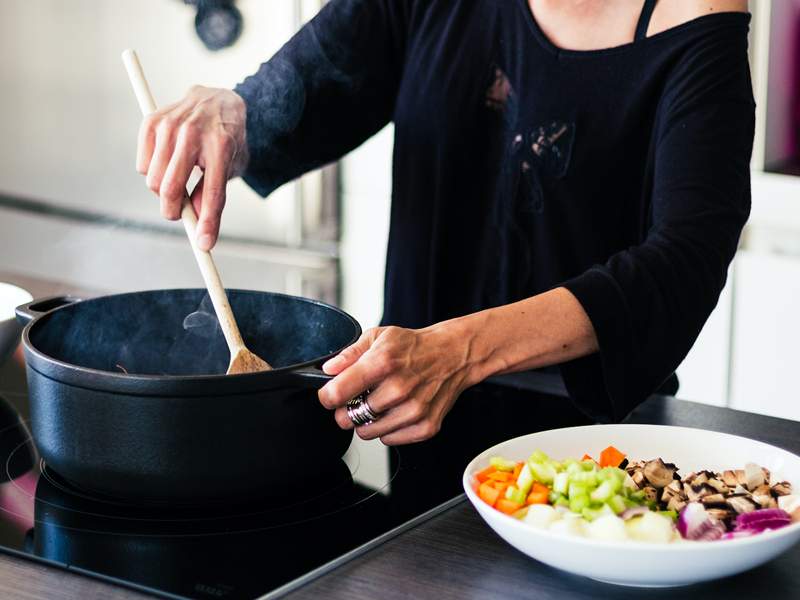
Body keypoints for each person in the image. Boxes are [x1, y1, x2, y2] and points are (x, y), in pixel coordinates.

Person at [136, 0, 753, 456]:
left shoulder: (692, 16)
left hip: (594, 444)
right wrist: (233, 116)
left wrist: (459, 351)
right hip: (410, 420)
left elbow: (684, 259)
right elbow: (304, 93)